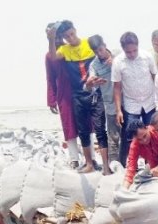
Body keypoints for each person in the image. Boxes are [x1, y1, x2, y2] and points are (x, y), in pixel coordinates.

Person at [48, 20, 110, 174]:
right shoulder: (64, 49)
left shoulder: (88, 43)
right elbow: (53, 57)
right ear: (63, 37)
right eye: (67, 36)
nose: (71, 38)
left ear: (75, 30)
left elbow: (105, 52)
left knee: (100, 128)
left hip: (95, 92)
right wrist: (51, 38)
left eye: (72, 34)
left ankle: (105, 165)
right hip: (78, 94)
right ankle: (88, 163)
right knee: (82, 130)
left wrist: (111, 58)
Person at [111, 31, 158, 166]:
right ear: (123, 49)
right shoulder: (118, 62)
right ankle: (129, 167)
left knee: (152, 134)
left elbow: (156, 78)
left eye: (134, 50)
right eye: (128, 52)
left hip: (150, 102)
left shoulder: (147, 57)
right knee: (129, 137)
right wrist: (118, 110)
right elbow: (117, 87)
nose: (131, 54)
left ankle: (152, 165)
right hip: (131, 104)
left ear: (138, 46)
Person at [45, 22, 79, 168]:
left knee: (86, 124)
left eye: (59, 36)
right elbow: (50, 77)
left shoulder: (71, 49)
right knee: (68, 126)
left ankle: (91, 158)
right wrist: (51, 100)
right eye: (53, 37)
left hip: (79, 90)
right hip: (63, 94)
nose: (58, 39)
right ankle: (74, 159)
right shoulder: (49, 56)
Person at [86, 35, 120, 164]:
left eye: (101, 49)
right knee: (113, 138)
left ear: (105, 45)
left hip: (127, 103)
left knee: (132, 135)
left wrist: (115, 64)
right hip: (110, 105)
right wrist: (92, 83)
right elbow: (89, 87)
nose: (100, 53)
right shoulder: (94, 65)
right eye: (96, 52)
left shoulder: (118, 54)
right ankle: (114, 167)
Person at [122, 119, 158, 188]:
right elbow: (130, 170)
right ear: (135, 138)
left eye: (145, 136)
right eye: (139, 139)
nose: (144, 140)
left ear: (146, 128)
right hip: (155, 171)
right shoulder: (134, 145)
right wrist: (124, 191)